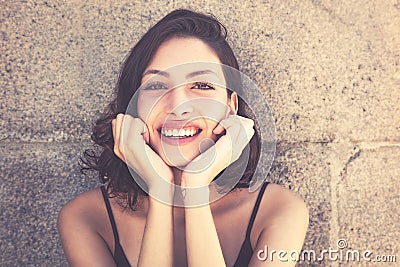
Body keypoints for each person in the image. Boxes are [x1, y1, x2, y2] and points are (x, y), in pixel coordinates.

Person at [58, 9, 309, 267]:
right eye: (156, 86)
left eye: (201, 85)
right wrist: (160, 191)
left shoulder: (278, 211)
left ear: (230, 107)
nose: (177, 105)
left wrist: (195, 187)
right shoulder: (86, 218)